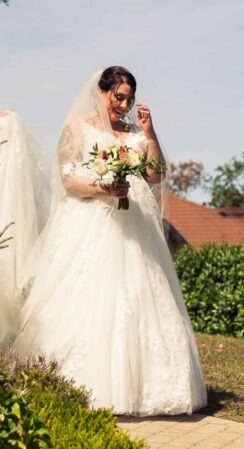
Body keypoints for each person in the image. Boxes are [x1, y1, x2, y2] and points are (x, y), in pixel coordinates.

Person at [12, 66, 207, 416]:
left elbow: (155, 174)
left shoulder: (135, 131)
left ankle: (145, 388)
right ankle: (82, 384)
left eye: (129, 99)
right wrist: (103, 188)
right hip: (92, 221)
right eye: (119, 97)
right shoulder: (78, 127)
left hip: (135, 224)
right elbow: (69, 180)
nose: (124, 105)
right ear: (102, 92)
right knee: (94, 296)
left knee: (140, 295)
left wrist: (149, 133)